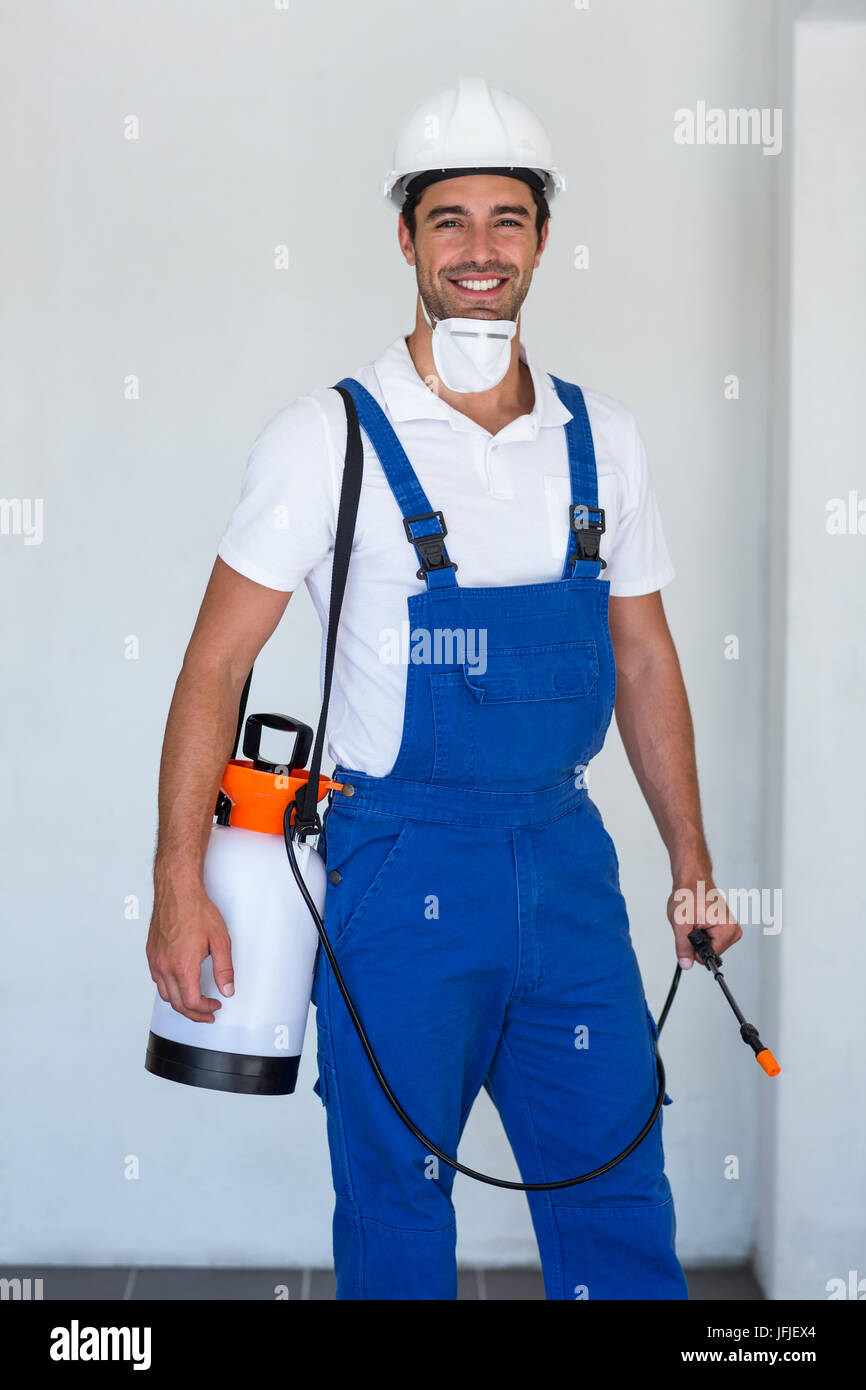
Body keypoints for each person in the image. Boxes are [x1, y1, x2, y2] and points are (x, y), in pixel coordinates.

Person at [146, 77, 742, 1301]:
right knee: (395, 1200)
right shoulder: (329, 439)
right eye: (451, 219)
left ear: (541, 238)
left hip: (568, 866)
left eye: (507, 219)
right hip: (395, 861)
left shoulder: (601, 438)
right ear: (406, 238)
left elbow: (642, 659)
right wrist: (177, 883)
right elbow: (214, 663)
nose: (479, 249)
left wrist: (689, 858)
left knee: (618, 1191)